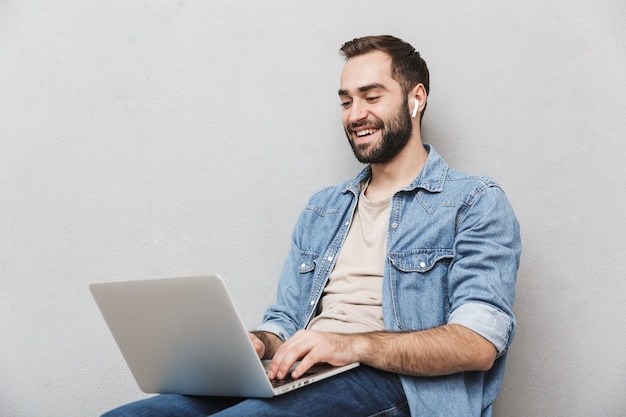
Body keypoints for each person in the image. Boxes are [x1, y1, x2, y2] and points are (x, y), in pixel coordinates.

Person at [102, 35, 521, 417]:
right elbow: (286, 318)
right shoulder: (324, 208)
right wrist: (261, 343)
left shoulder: (475, 202)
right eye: (345, 101)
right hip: (304, 372)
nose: (356, 115)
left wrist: (347, 345)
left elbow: (477, 344)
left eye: (371, 96)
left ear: (416, 98)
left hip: (402, 387)